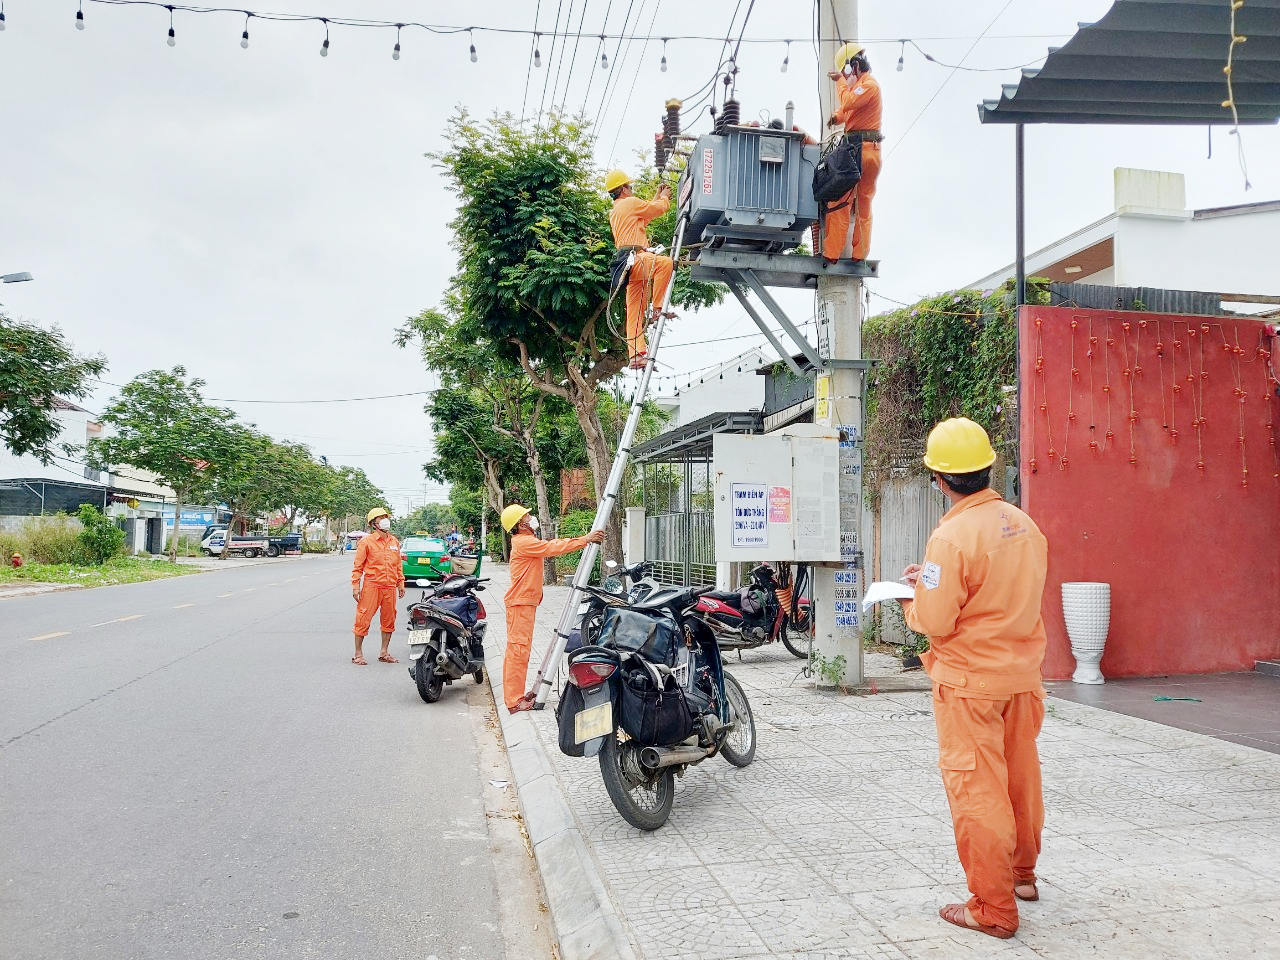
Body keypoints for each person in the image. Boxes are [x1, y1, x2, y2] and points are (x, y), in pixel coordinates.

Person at [899, 417, 1049, 940]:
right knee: (1020, 778)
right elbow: (1000, 593)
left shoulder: (950, 537)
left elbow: (937, 621)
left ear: (939, 480)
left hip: (970, 686)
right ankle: (1022, 876)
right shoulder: (1024, 525)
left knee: (977, 789)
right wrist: (932, 584)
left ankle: (992, 907)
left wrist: (911, 601)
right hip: (1022, 679)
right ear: (987, 468)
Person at [500, 503, 605, 713]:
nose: (531, 518)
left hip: (524, 603)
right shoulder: (524, 542)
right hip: (520, 604)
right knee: (518, 651)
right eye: (527, 516)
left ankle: (517, 695)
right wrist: (585, 539)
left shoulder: (525, 541)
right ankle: (514, 701)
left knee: (521, 650)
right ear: (520, 525)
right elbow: (553, 547)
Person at [606, 169, 675, 370]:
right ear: (624, 189)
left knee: (634, 311)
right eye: (630, 186)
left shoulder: (617, 210)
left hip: (626, 265)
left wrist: (656, 197)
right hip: (636, 258)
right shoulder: (630, 203)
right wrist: (664, 198)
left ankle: (636, 355)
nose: (632, 189)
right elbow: (657, 210)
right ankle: (658, 308)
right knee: (665, 263)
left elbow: (643, 218)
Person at [822, 41, 883, 265]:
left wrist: (839, 82)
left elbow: (849, 99)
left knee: (840, 199)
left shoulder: (868, 86)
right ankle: (859, 255)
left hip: (857, 151)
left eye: (846, 73)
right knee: (864, 204)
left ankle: (832, 253)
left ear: (852, 67)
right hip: (870, 152)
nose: (846, 79)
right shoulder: (866, 86)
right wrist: (837, 117)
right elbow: (851, 108)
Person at [350, 507, 406, 666]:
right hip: (372, 586)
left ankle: (384, 652)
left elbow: (398, 565)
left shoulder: (394, 541)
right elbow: (358, 566)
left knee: (389, 619)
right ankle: (358, 654)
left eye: (385, 517)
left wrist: (400, 582)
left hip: (389, 587)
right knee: (363, 618)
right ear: (374, 523)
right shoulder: (366, 542)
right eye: (380, 518)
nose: (384, 520)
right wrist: (356, 586)